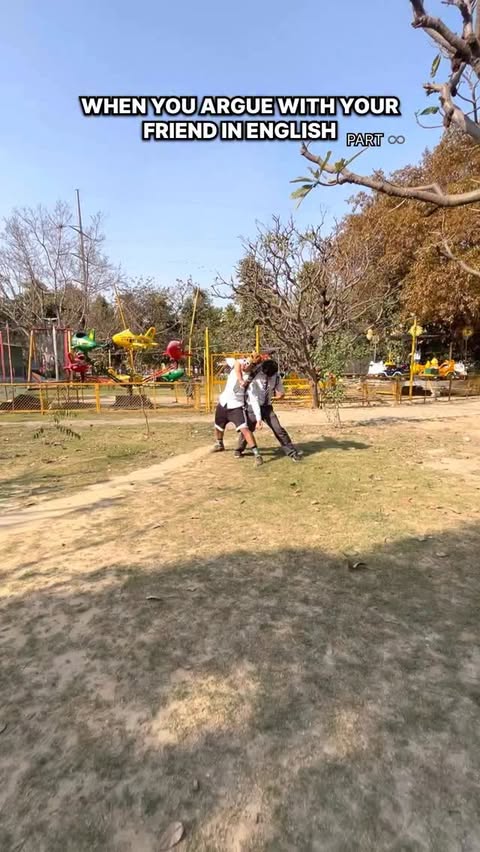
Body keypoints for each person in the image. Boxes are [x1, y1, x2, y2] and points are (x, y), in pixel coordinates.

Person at [235, 358, 303, 462]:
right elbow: (254, 398)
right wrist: (258, 419)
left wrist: (281, 394)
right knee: (247, 429)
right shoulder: (254, 375)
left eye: (270, 375)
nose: (267, 376)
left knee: (278, 429)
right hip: (253, 406)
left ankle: (292, 452)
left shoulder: (276, 377)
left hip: (267, 407)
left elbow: (280, 390)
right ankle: (239, 449)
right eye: (265, 374)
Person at [212, 355, 264, 467]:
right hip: (224, 402)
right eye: (245, 362)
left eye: (248, 364)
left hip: (236, 406)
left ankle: (257, 454)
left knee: (245, 429)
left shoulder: (251, 380)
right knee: (218, 426)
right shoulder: (237, 366)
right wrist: (240, 378)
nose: (245, 364)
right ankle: (219, 443)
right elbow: (234, 361)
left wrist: (258, 419)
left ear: (253, 367)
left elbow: (254, 400)